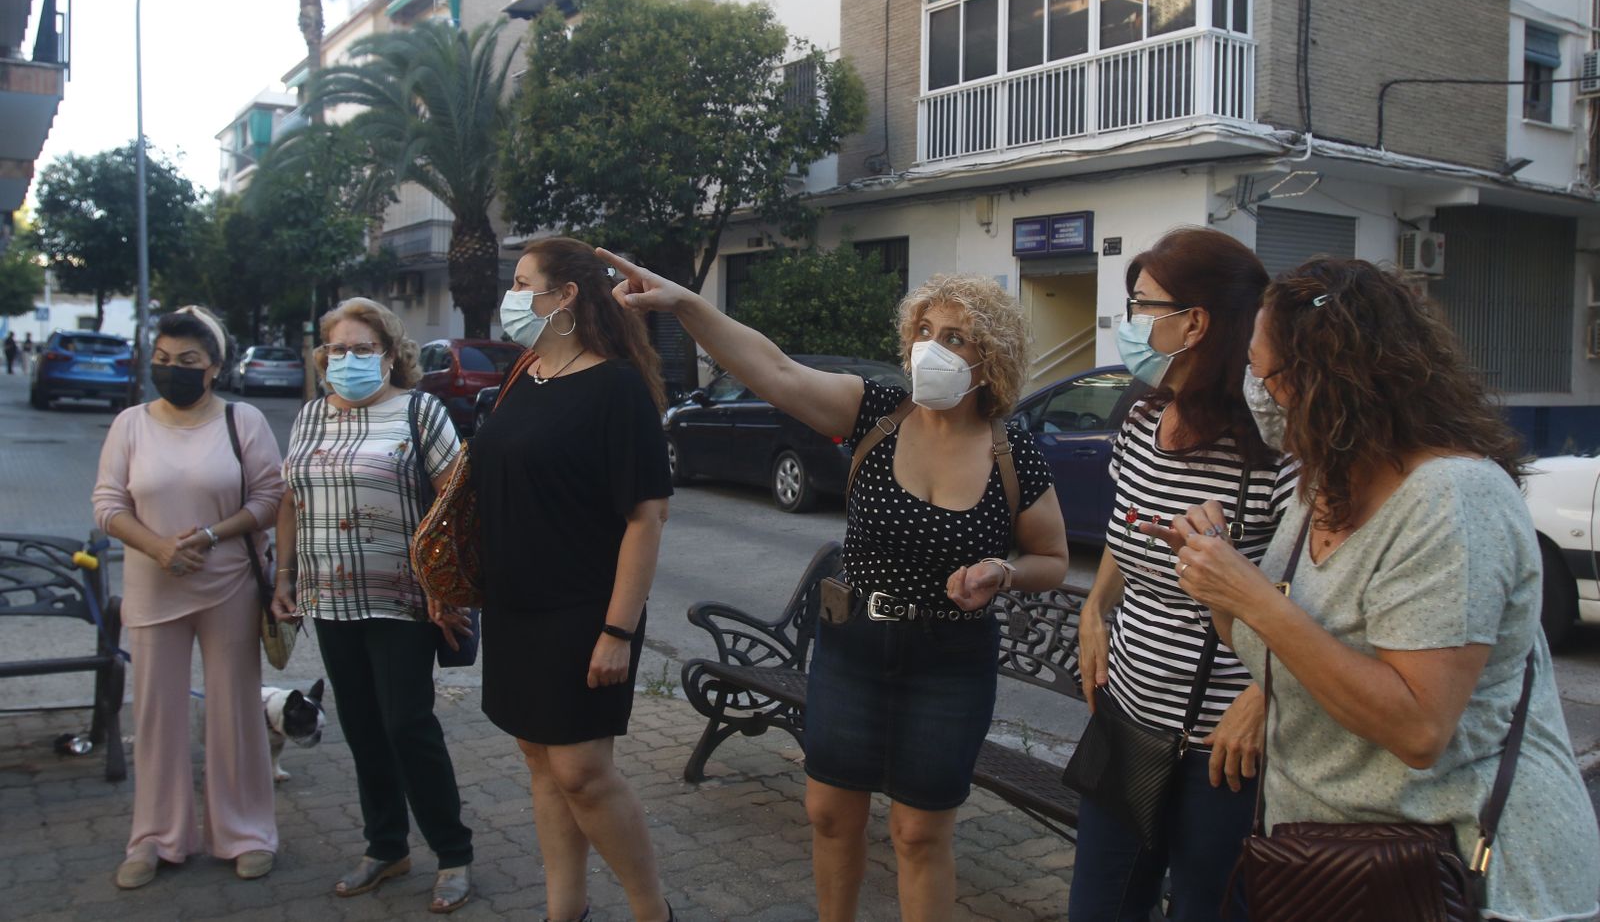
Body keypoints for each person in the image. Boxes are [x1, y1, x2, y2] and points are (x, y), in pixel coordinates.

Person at [604, 250, 1070, 922]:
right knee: (828, 812)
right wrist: (685, 303)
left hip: (950, 659)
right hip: (854, 641)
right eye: (923, 331)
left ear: (987, 357)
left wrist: (1004, 571)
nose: (929, 348)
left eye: (954, 337)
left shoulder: (1010, 448)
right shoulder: (875, 412)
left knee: (919, 832)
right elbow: (772, 367)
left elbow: (1051, 555)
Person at [1155, 258, 1600, 922]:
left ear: (1325, 379)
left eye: (1265, 373)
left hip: (1469, 879)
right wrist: (1214, 579)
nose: (1255, 391)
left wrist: (1252, 596)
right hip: (1332, 866)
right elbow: (1274, 647)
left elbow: (1418, 726)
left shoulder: (1453, 498)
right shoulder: (1324, 483)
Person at [1069, 228, 1297, 921]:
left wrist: (1264, 698)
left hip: (1220, 754)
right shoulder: (1141, 422)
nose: (1129, 320)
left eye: (1141, 304)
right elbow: (1125, 534)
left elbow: (1306, 597)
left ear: (1194, 321)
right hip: (1127, 723)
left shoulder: (1271, 455)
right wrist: (1095, 609)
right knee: (1099, 907)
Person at [470, 237, 674, 922]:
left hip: (584, 609)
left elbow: (646, 518)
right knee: (539, 760)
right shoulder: (522, 373)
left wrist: (617, 629)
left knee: (583, 772)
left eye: (524, 282)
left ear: (565, 298)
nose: (511, 295)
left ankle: (653, 911)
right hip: (513, 604)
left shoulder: (616, 387)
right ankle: (566, 910)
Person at [271, 297, 475, 913]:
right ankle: (386, 846)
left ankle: (453, 851)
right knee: (361, 728)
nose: (351, 359)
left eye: (364, 348)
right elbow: (289, 501)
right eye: (339, 349)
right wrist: (282, 576)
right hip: (330, 598)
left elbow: (457, 500)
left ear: (390, 355)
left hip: (408, 602)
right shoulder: (308, 418)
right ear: (323, 356)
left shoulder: (420, 411)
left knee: (407, 726)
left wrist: (446, 586)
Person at [91, 305, 283, 890]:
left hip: (227, 585)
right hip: (153, 588)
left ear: (215, 367)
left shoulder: (243, 421)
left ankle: (245, 832)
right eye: (163, 359)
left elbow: (270, 499)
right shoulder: (130, 424)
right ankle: (155, 839)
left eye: (188, 361)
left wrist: (206, 536)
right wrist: (158, 548)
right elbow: (107, 504)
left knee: (234, 711)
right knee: (156, 716)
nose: (172, 369)